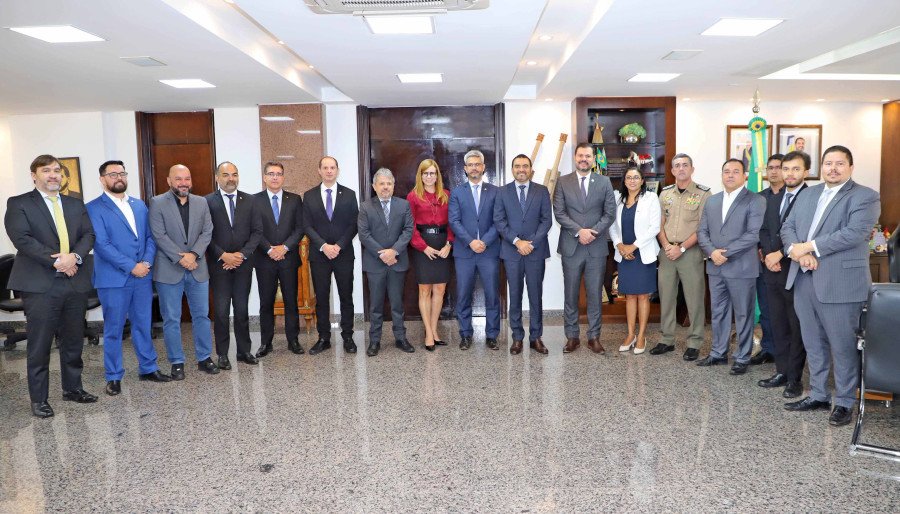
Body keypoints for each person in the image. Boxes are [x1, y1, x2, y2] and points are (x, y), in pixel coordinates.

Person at [781, 145, 880, 426]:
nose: (833, 169)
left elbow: (853, 234)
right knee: (813, 342)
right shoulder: (808, 193)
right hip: (803, 278)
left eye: (839, 164)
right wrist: (796, 252)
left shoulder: (865, 196)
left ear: (850, 167)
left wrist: (809, 247)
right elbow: (787, 227)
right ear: (821, 167)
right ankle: (819, 394)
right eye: (828, 163)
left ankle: (846, 401)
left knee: (842, 345)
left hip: (841, 283)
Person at [5, 154, 97, 417]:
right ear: (34, 175)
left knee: (72, 340)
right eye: (47, 170)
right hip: (40, 284)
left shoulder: (74, 203)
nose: (53, 175)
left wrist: (74, 258)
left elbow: (88, 234)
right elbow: (22, 239)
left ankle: (73, 389)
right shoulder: (19, 203)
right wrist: (57, 261)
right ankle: (39, 399)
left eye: (57, 170)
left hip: (75, 280)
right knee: (40, 344)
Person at [86, 160, 171, 396]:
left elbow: (150, 238)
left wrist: (145, 263)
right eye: (112, 174)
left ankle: (148, 368)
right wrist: (132, 266)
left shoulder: (140, 205)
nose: (118, 177)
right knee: (114, 329)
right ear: (102, 179)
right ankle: (113, 376)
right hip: (114, 279)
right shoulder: (93, 208)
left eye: (122, 173)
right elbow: (102, 245)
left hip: (142, 277)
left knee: (144, 325)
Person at [696, 159, 766, 375]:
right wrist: (711, 252)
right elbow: (702, 231)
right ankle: (718, 353)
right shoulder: (712, 201)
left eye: (736, 171)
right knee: (718, 312)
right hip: (716, 267)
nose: (730, 175)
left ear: (745, 175)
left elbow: (753, 235)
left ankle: (742, 357)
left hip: (742, 267)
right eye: (726, 171)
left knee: (743, 314)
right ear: (722, 175)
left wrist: (724, 253)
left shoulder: (756, 200)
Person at [149, 164, 217, 380]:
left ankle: (204, 358)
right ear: (169, 181)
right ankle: (176, 362)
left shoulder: (201, 202)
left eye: (187, 178)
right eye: (178, 179)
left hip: (198, 268)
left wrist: (194, 255)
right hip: (169, 270)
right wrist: (182, 258)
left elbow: (207, 232)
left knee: (202, 316)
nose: (183, 183)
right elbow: (159, 235)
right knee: (171, 319)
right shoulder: (157, 202)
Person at [553, 142, 616, 354]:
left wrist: (592, 232)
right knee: (570, 294)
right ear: (575, 157)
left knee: (595, 295)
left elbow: (609, 213)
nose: (584, 159)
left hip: (596, 248)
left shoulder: (604, 182)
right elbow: (559, 213)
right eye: (580, 155)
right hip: (572, 246)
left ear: (593, 159)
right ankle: (572, 337)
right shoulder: (563, 182)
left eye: (588, 156)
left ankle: (594, 337)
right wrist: (580, 231)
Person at [758, 151, 809, 398]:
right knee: (777, 322)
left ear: (805, 172)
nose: (788, 174)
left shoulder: (811, 198)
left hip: (797, 270)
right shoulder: (774, 197)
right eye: (785, 169)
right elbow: (766, 229)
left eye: (794, 169)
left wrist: (780, 254)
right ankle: (781, 370)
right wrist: (768, 255)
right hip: (772, 269)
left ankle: (795, 378)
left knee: (795, 324)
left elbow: (806, 234)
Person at [652, 153, 711, 360]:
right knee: (666, 297)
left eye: (685, 165)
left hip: (690, 252)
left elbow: (703, 227)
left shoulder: (704, 194)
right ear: (672, 170)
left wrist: (682, 248)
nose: (681, 169)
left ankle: (694, 342)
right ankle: (666, 339)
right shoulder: (665, 193)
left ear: (692, 169)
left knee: (694, 299)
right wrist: (667, 245)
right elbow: (658, 223)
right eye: (677, 166)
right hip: (667, 252)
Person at [205, 161, 262, 370]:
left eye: (235, 174)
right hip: (219, 266)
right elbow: (205, 235)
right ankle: (222, 354)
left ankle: (244, 351)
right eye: (226, 174)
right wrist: (223, 256)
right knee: (220, 312)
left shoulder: (250, 200)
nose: (231, 178)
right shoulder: (207, 201)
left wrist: (240, 255)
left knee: (241, 310)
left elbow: (257, 232)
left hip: (243, 265)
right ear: (217, 177)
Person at [493, 154, 552, 355]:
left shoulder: (542, 191)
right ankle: (517, 337)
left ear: (530, 169)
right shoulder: (502, 192)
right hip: (512, 252)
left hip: (535, 252)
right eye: (517, 166)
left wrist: (531, 243)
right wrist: (518, 242)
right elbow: (499, 221)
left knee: (536, 295)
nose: (521, 169)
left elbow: (547, 221)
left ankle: (536, 337)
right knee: (515, 295)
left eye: (525, 166)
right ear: (512, 170)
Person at [303, 156, 359, 355]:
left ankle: (348, 337)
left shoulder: (350, 194)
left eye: (332, 167)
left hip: (343, 254)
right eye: (325, 168)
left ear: (337, 170)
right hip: (319, 256)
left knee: (346, 297)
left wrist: (339, 246)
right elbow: (306, 225)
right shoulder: (308, 196)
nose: (329, 171)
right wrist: (323, 245)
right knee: (322, 298)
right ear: (319, 170)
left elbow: (354, 224)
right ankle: (323, 337)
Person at [357, 168, 415, 357]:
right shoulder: (366, 207)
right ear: (374, 186)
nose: (385, 187)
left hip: (397, 261)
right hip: (376, 263)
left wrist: (394, 251)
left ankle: (400, 338)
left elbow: (408, 230)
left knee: (397, 303)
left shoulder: (403, 205)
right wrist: (382, 253)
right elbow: (364, 234)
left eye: (389, 183)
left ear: (393, 185)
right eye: (381, 183)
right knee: (375, 305)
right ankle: (374, 341)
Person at [448, 150, 501, 351]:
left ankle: (492, 335)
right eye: (470, 165)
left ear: (483, 167)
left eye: (477, 164)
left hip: (489, 252)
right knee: (463, 294)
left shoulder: (495, 191)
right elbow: (454, 221)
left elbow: (499, 220)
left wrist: (484, 241)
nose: (474, 168)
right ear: (465, 169)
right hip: (464, 252)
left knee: (492, 295)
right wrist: (471, 242)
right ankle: (465, 334)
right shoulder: (457, 193)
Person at [255, 161, 305, 358]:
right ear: (264, 177)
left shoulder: (294, 200)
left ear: (283, 177)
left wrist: (284, 247)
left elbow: (300, 228)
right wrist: (269, 249)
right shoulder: (254, 200)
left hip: (288, 258)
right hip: (264, 260)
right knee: (266, 302)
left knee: (290, 301)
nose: (275, 177)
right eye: (271, 173)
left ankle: (293, 340)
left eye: (278, 173)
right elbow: (254, 230)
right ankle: (266, 342)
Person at [609, 167, 661, 355]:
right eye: (629, 177)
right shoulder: (618, 200)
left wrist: (634, 246)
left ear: (642, 181)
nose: (632, 180)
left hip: (643, 253)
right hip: (624, 255)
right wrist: (620, 245)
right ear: (624, 181)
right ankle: (630, 334)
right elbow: (612, 227)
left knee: (642, 295)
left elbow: (655, 227)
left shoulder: (651, 198)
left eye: (636, 177)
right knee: (629, 295)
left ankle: (642, 336)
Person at [407, 159, 454, 351]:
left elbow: (453, 222)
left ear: (437, 176)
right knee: (425, 290)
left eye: (432, 173)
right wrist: (422, 247)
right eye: (425, 173)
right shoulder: (413, 196)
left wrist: (449, 244)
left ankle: (435, 331)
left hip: (443, 245)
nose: (429, 176)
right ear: (420, 175)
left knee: (440, 290)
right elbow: (410, 226)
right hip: (423, 247)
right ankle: (428, 332)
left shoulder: (447, 195)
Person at [750, 154, 784, 366]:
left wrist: (779, 253)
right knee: (766, 307)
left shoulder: (795, 196)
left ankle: (786, 350)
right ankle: (769, 347)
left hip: (787, 260)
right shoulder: (759, 198)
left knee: (786, 310)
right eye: (770, 168)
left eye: (778, 167)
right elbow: (758, 228)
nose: (773, 171)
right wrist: (761, 249)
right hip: (763, 261)